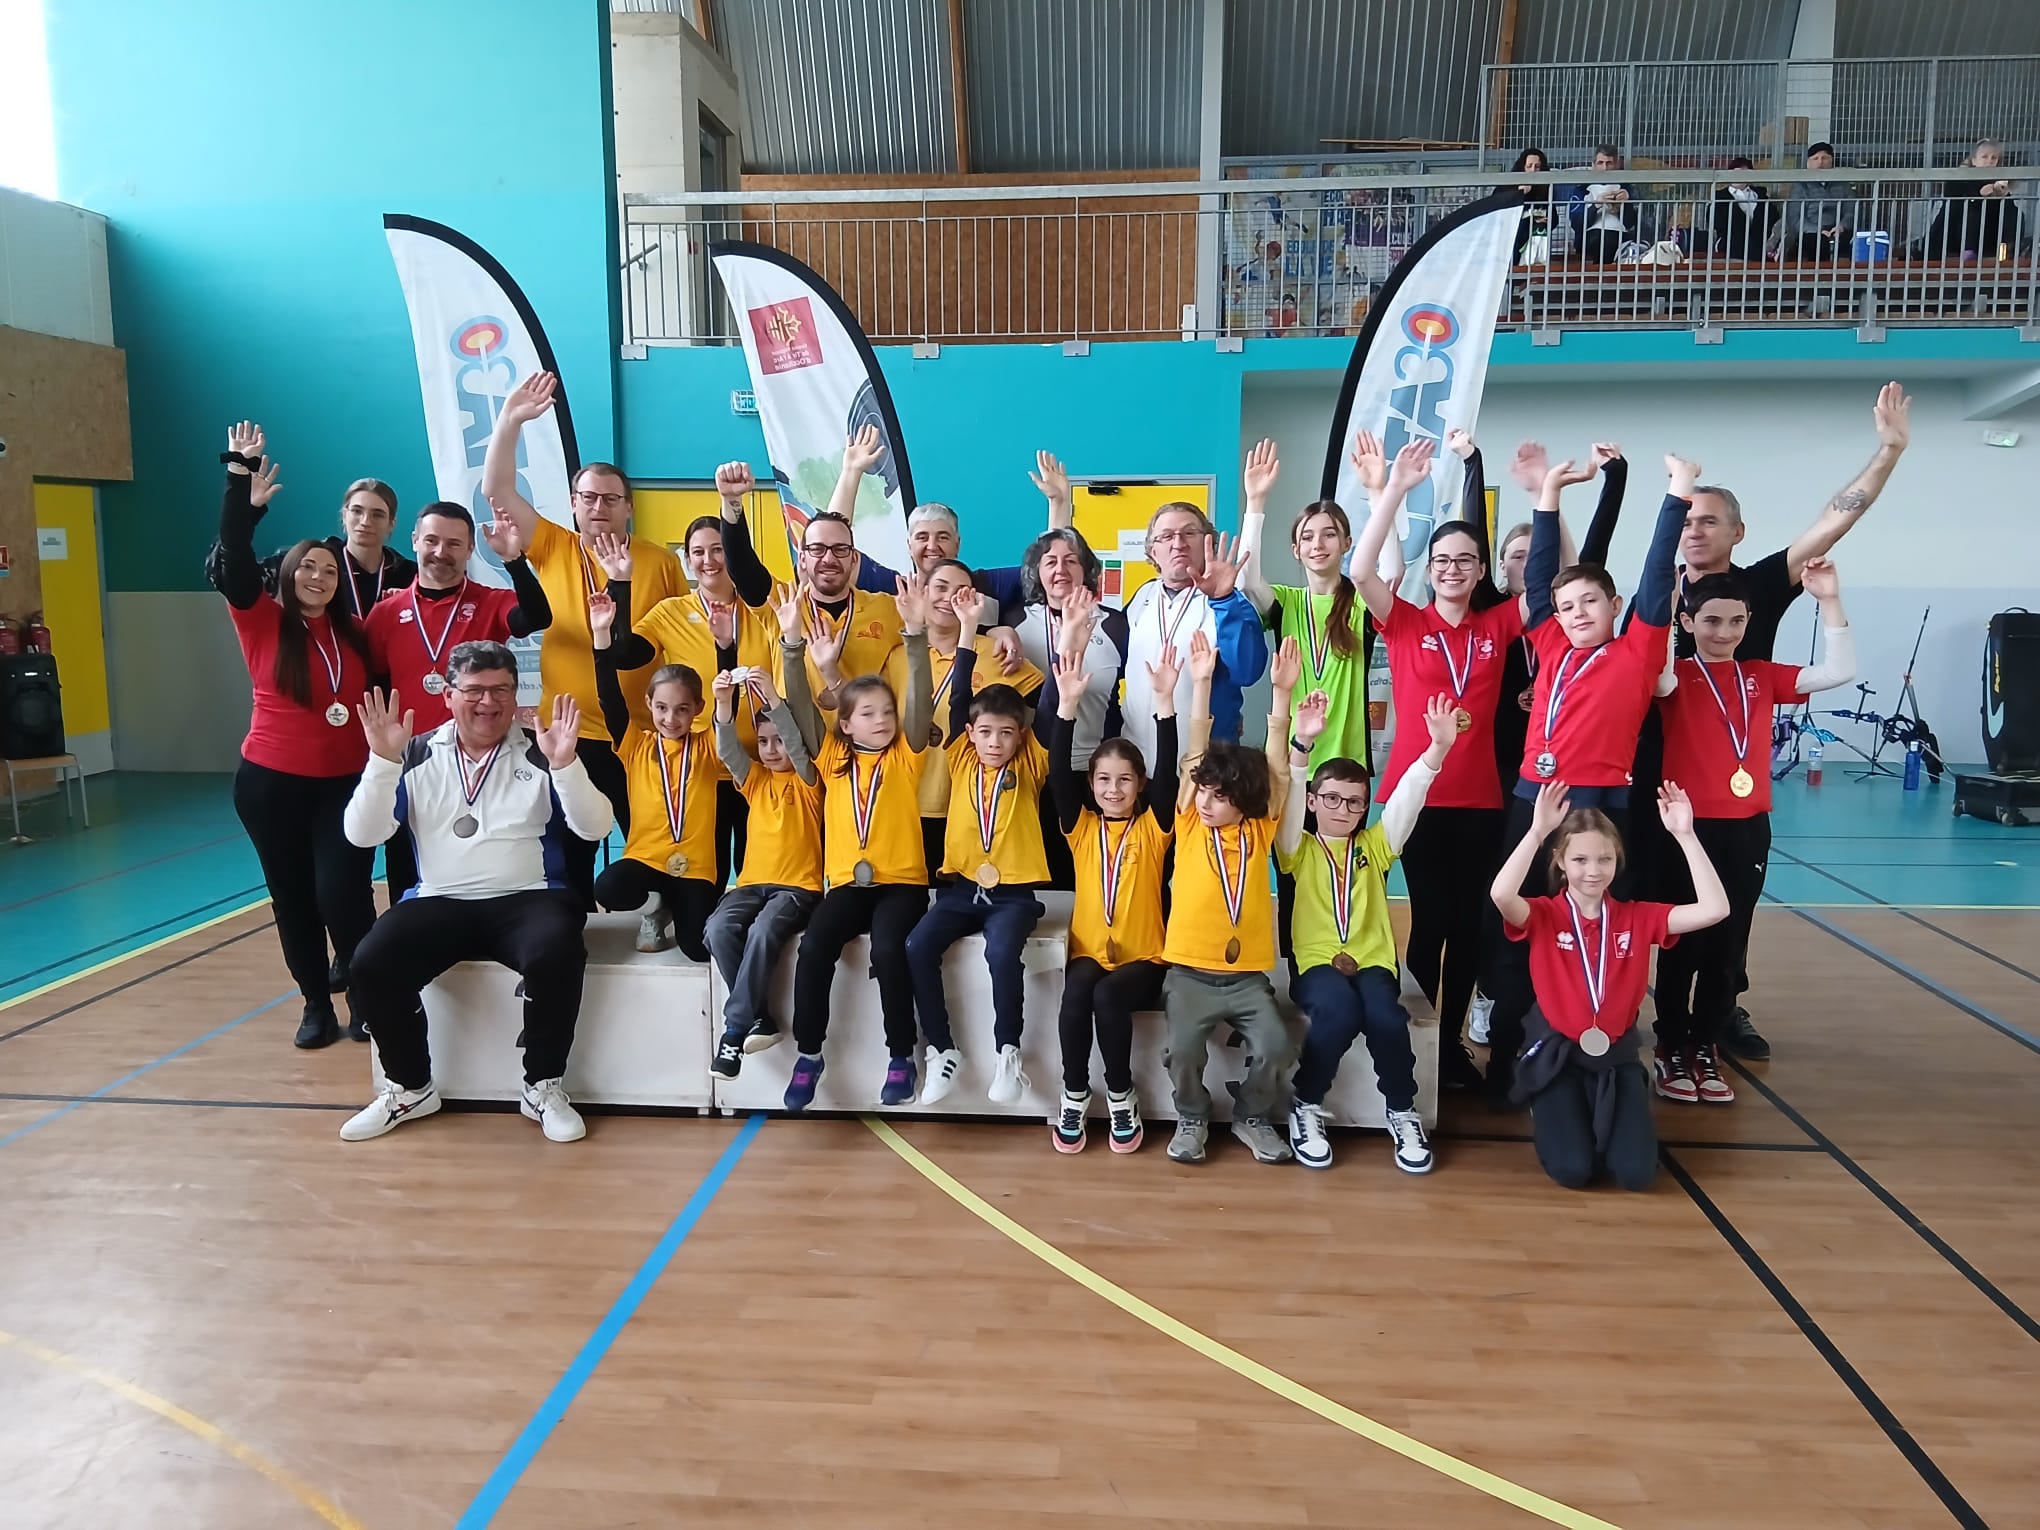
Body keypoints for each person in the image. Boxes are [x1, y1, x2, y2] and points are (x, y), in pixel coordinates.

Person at [1659, 381, 1909, 1058]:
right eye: (1687, 519)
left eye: (1710, 520)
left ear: (1737, 532)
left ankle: (1722, 1009)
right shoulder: (1656, 592)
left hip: (1732, 777)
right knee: (1668, 907)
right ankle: (1658, 1021)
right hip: (1661, 781)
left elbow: (1833, 521)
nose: (1695, 529)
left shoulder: (1761, 584)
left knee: (1731, 910)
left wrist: (1888, 452)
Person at [337, 646, 615, 1143]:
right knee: (372, 961)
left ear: (515, 695)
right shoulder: (414, 753)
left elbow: (595, 827)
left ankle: (541, 1086)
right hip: (438, 898)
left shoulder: (541, 749)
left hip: (529, 897)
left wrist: (566, 765)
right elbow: (362, 835)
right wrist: (381, 762)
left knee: (557, 950)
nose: (488, 702)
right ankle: (410, 1088)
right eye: (474, 690)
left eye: (501, 690)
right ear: (448, 695)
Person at [1480, 452, 1692, 1102]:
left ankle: (1600, 1057)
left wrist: (1678, 493)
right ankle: (1507, 1064)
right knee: (1517, 933)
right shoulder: (1548, 642)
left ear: (1615, 605)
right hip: (1535, 805)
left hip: (1603, 811)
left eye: (1589, 602)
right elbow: (1541, 573)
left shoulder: (1638, 650)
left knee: (1600, 935)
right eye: (1566, 605)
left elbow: (1658, 573)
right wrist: (1547, 493)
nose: (1575, 613)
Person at [1344, 437, 1536, 1090]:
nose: (1452, 569)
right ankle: (1420, 1045)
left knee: (1472, 928)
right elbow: (1361, 570)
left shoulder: (1497, 626)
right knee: (1430, 924)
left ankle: (1450, 1046)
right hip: (1417, 797)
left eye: (1464, 560)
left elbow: (1547, 584)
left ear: (1481, 571)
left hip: (1481, 802)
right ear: (1431, 568)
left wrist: (1545, 496)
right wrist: (1395, 489)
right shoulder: (1403, 622)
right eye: (1442, 560)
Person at [1650, 562, 1856, 1100]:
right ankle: (1670, 1044)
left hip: (1747, 831)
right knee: (1682, 942)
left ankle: (1705, 1044)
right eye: (1711, 620)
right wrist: (1664, 605)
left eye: (1736, 621)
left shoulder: (1760, 676)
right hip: (1686, 830)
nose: (1724, 632)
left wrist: (1829, 600)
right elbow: (1656, 671)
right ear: (1688, 622)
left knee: (1729, 944)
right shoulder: (1677, 675)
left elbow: (1839, 670)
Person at [483, 371, 687, 904]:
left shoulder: (660, 562)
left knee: (650, 838)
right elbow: (497, 490)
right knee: (569, 844)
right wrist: (511, 421)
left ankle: (659, 913)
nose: (599, 507)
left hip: (640, 733)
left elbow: (679, 641)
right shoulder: (552, 544)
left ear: (629, 506)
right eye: (588, 497)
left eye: (610, 498)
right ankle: (568, 926)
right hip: (567, 730)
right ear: (574, 503)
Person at [212, 422, 377, 1049]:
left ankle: (364, 995)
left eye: (328, 570)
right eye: (306, 566)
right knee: (293, 898)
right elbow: (232, 557)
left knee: (344, 894)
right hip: (271, 784)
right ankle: (314, 1003)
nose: (317, 575)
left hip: (344, 786)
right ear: (285, 573)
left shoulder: (354, 633)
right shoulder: (261, 619)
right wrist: (240, 486)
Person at [1490, 781, 1728, 1190]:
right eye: (1580, 859)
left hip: (1615, 1057)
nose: (1593, 870)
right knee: (1573, 1170)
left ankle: (1612, 1111)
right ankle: (1549, 1103)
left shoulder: (1638, 917)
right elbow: (1501, 894)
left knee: (1636, 1174)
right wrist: (1536, 832)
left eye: (1604, 859)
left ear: (1617, 860)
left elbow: (1716, 909)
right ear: (1560, 861)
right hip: (1561, 1057)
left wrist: (1686, 836)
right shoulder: (1544, 915)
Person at [1282, 691, 1459, 1175]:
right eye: (1331, 798)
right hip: (1316, 962)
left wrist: (1437, 749)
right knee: (1338, 1012)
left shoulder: (1376, 847)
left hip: (1374, 961)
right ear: (1314, 801)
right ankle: (1306, 1102)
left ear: (1364, 808)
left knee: (1386, 1017)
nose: (1342, 809)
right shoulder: (1297, 847)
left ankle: (1402, 1111)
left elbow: (1407, 800)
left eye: (1355, 802)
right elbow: (1290, 798)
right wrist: (1302, 745)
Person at [782, 581, 935, 1110]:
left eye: (887, 712)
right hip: (848, 885)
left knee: (889, 948)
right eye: (868, 714)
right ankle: (809, 1055)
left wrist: (914, 633)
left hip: (903, 885)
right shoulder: (832, 758)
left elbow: (920, 698)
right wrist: (792, 644)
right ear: (845, 724)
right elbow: (799, 704)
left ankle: (901, 1056)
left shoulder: (907, 754)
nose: (883, 721)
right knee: (814, 946)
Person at [361, 501, 552, 903]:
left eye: (453, 544)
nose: (440, 552)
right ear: (414, 541)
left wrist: (514, 561)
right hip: (413, 763)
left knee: (483, 863)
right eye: (431, 540)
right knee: (406, 867)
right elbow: (376, 684)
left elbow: (537, 617)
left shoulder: (491, 601)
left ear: (469, 550)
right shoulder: (385, 614)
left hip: (480, 764)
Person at [1160, 633, 1301, 1166]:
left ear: (1244, 803)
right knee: (1181, 1051)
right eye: (1205, 792)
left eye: (1221, 798)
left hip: (1246, 979)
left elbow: (1278, 773)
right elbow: (1195, 755)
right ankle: (1192, 1114)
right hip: (1189, 975)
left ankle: (1252, 1115)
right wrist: (1200, 685)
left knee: (1276, 1046)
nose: (1208, 803)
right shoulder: (1189, 823)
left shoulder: (1259, 831)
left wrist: (1281, 698)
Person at [904, 619, 1053, 1107]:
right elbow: (958, 697)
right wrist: (968, 630)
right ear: (969, 734)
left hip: (1012, 897)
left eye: (1006, 734)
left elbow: (1051, 715)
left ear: (1021, 736)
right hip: (961, 889)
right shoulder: (962, 757)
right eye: (985, 732)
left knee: (1001, 954)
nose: (994, 742)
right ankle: (942, 1050)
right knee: (917, 946)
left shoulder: (1030, 764)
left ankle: (1008, 1053)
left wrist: (1069, 645)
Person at [601, 493, 778, 887]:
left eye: (718, 549)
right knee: (707, 878)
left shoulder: (764, 608)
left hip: (762, 764)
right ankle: (669, 905)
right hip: (700, 769)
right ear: (686, 559)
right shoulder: (672, 612)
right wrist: (620, 583)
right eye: (698, 552)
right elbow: (625, 654)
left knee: (756, 868)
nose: (708, 560)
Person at [1046, 645, 1181, 1154]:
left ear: (1140, 785)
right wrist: (1065, 708)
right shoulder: (1080, 828)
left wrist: (1164, 705)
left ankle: (1122, 1095)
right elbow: (1058, 773)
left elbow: (1169, 775)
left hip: (1145, 959)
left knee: (1107, 997)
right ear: (1092, 784)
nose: (1113, 789)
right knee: (1078, 991)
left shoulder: (1154, 829)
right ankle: (1075, 1093)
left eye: (1125, 780)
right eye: (1103, 779)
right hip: (1089, 953)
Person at [703, 580, 824, 1077]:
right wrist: (724, 706)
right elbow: (728, 750)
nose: (773, 749)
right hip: (751, 885)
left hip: (797, 889)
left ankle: (733, 1033)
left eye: (779, 740)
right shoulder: (754, 781)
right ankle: (758, 1018)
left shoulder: (810, 781)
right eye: (766, 741)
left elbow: (797, 745)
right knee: (717, 928)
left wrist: (774, 700)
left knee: (766, 928)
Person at [587, 580, 720, 959]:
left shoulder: (710, 746)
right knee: (607, 889)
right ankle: (656, 908)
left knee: (697, 950)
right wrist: (601, 636)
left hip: (695, 868)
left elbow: (729, 705)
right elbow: (610, 699)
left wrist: (725, 646)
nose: (671, 718)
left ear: (698, 708)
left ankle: (684, 909)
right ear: (649, 704)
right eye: (661, 708)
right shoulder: (637, 744)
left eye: (682, 709)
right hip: (646, 860)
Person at [1237, 439, 1371, 772]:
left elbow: (1394, 574)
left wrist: (1380, 491)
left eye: (1329, 534)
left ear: (1347, 543)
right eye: (1307, 537)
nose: (1318, 544)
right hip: (1289, 759)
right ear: (1296, 550)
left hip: (1346, 765)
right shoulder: (1287, 601)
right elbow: (1247, 580)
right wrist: (1255, 502)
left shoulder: (1362, 600)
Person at [1122, 503, 1268, 772]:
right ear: (1153, 551)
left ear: (1207, 542)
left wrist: (1223, 599)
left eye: (1189, 533)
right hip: (1138, 764)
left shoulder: (1231, 601)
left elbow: (1247, 671)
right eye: (1166, 536)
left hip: (1207, 768)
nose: (1178, 543)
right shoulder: (1141, 598)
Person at [919, 575, 1046, 875]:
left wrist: (975, 628)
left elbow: (959, 697)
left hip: (970, 798)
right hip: (915, 796)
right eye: (940, 587)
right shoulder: (900, 647)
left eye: (960, 590)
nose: (994, 740)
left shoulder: (995, 650)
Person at [206, 472, 416, 619]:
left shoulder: (409, 575)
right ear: (344, 515)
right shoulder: (307, 562)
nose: (365, 521)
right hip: (324, 668)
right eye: (357, 511)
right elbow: (225, 575)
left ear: (392, 523)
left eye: (377, 514)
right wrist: (249, 512)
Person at [1923, 139, 2024, 260]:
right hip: (1955, 235)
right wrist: (1978, 196)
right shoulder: (1958, 180)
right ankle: (1968, 254)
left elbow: (2007, 213)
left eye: (1994, 157)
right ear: (1974, 160)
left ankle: (2006, 253)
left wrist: (2003, 196)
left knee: (2016, 213)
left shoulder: (1999, 182)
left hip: (1989, 235)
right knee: (1972, 213)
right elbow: (1954, 209)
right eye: (1984, 156)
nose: (1989, 161)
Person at [1776, 142, 1855, 262]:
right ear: (1808, 163)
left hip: (1837, 228)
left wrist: (1841, 226)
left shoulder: (1843, 185)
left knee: (1851, 241)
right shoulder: (1801, 186)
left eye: (1824, 158)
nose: (1820, 162)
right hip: (1810, 230)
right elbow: (1794, 217)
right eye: (1815, 158)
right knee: (1816, 242)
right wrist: (1818, 230)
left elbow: (1851, 211)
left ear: (1832, 161)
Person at [1569, 145, 1642, 263]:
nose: (1605, 168)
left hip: (1621, 236)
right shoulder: (1581, 189)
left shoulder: (1627, 188)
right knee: (1602, 239)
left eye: (1609, 163)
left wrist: (1626, 204)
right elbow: (1576, 224)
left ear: (1617, 165)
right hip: (1592, 237)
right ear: (1593, 165)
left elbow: (1631, 224)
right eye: (1600, 163)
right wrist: (1596, 205)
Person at [1710, 157, 1773, 259]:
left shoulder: (1760, 195)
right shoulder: (1719, 196)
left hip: (1759, 246)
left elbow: (1771, 219)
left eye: (1743, 173)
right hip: (1730, 245)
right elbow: (1714, 220)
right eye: (1735, 173)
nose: (1738, 176)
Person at [1512, 147, 1555, 263]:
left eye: (1537, 167)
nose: (1533, 170)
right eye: (1529, 166)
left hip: (1537, 243)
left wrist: (1546, 220)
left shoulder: (1546, 190)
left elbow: (1554, 219)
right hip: (1514, 242)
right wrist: (1518, 194)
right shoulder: (1509, 186)